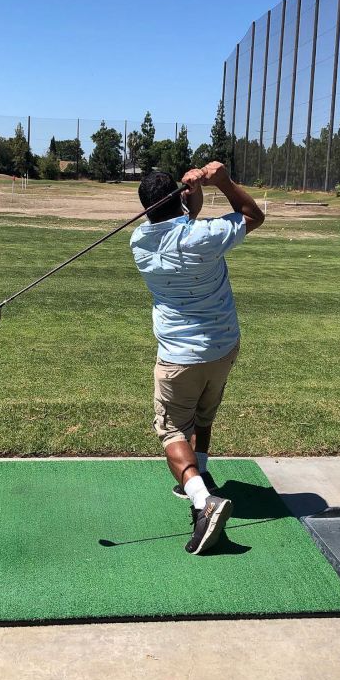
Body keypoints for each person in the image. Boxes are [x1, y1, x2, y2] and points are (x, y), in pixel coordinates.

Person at [129, 162, 265, 554]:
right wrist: (220, 181)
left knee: (172, 430)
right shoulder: (205, 235)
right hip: (222, 348)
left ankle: (203, 502)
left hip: (177, 357)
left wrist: (187, 199)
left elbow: (180, 228)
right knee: (204, 414)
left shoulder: (138, 242)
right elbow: (253, 215)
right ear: (178, 200)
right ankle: (200, 473)